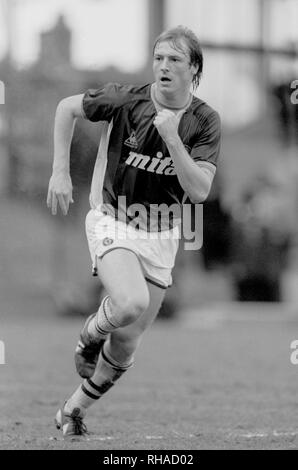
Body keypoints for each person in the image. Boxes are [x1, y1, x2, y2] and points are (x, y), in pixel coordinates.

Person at [47, 25, 221, 437]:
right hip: (112, 219)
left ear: (193, 68)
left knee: (127, 341)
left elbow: (198, 191)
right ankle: (88, 336)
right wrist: (60, 172)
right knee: (129, 302)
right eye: (159, 57)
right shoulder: (126, 99)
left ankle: (72, 410)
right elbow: (66, 108)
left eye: (175, 60)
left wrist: (172, 139)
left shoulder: (204, 120)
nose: (163, 66)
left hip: (162, 235)